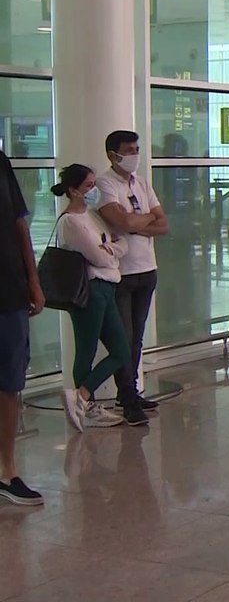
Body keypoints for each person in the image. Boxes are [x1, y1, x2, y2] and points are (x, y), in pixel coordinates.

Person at [52, 165, 148, 428]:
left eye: (95, 184)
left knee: (121, 350)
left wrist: (110, 249)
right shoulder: (71, 222)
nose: (94, 190)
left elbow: (122, 245)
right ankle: (88, 404)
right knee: (87, 349)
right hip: (90, 291)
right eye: (88, 186)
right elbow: (99, 257)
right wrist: (109, 249)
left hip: (108, 288)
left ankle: (81, 397)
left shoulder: (94, 217)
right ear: (73, 190)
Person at [96, 130, 167, 412]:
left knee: (136, 336)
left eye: (136, 149)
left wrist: (138, 221)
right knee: (123, 337)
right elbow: (122, 222)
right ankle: (125, 396)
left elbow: (164, 225)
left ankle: (132, 390)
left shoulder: (142, 183)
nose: (134, 155)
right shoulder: (105, 183)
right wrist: (141, 220)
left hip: (147, 269)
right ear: (113, 154)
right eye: (128, 150)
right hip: (121, 273)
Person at [0, 149, 43, 504]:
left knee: (9, 381)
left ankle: (7, 470)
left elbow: (18, 222)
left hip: (8, 289)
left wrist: (33, 279)